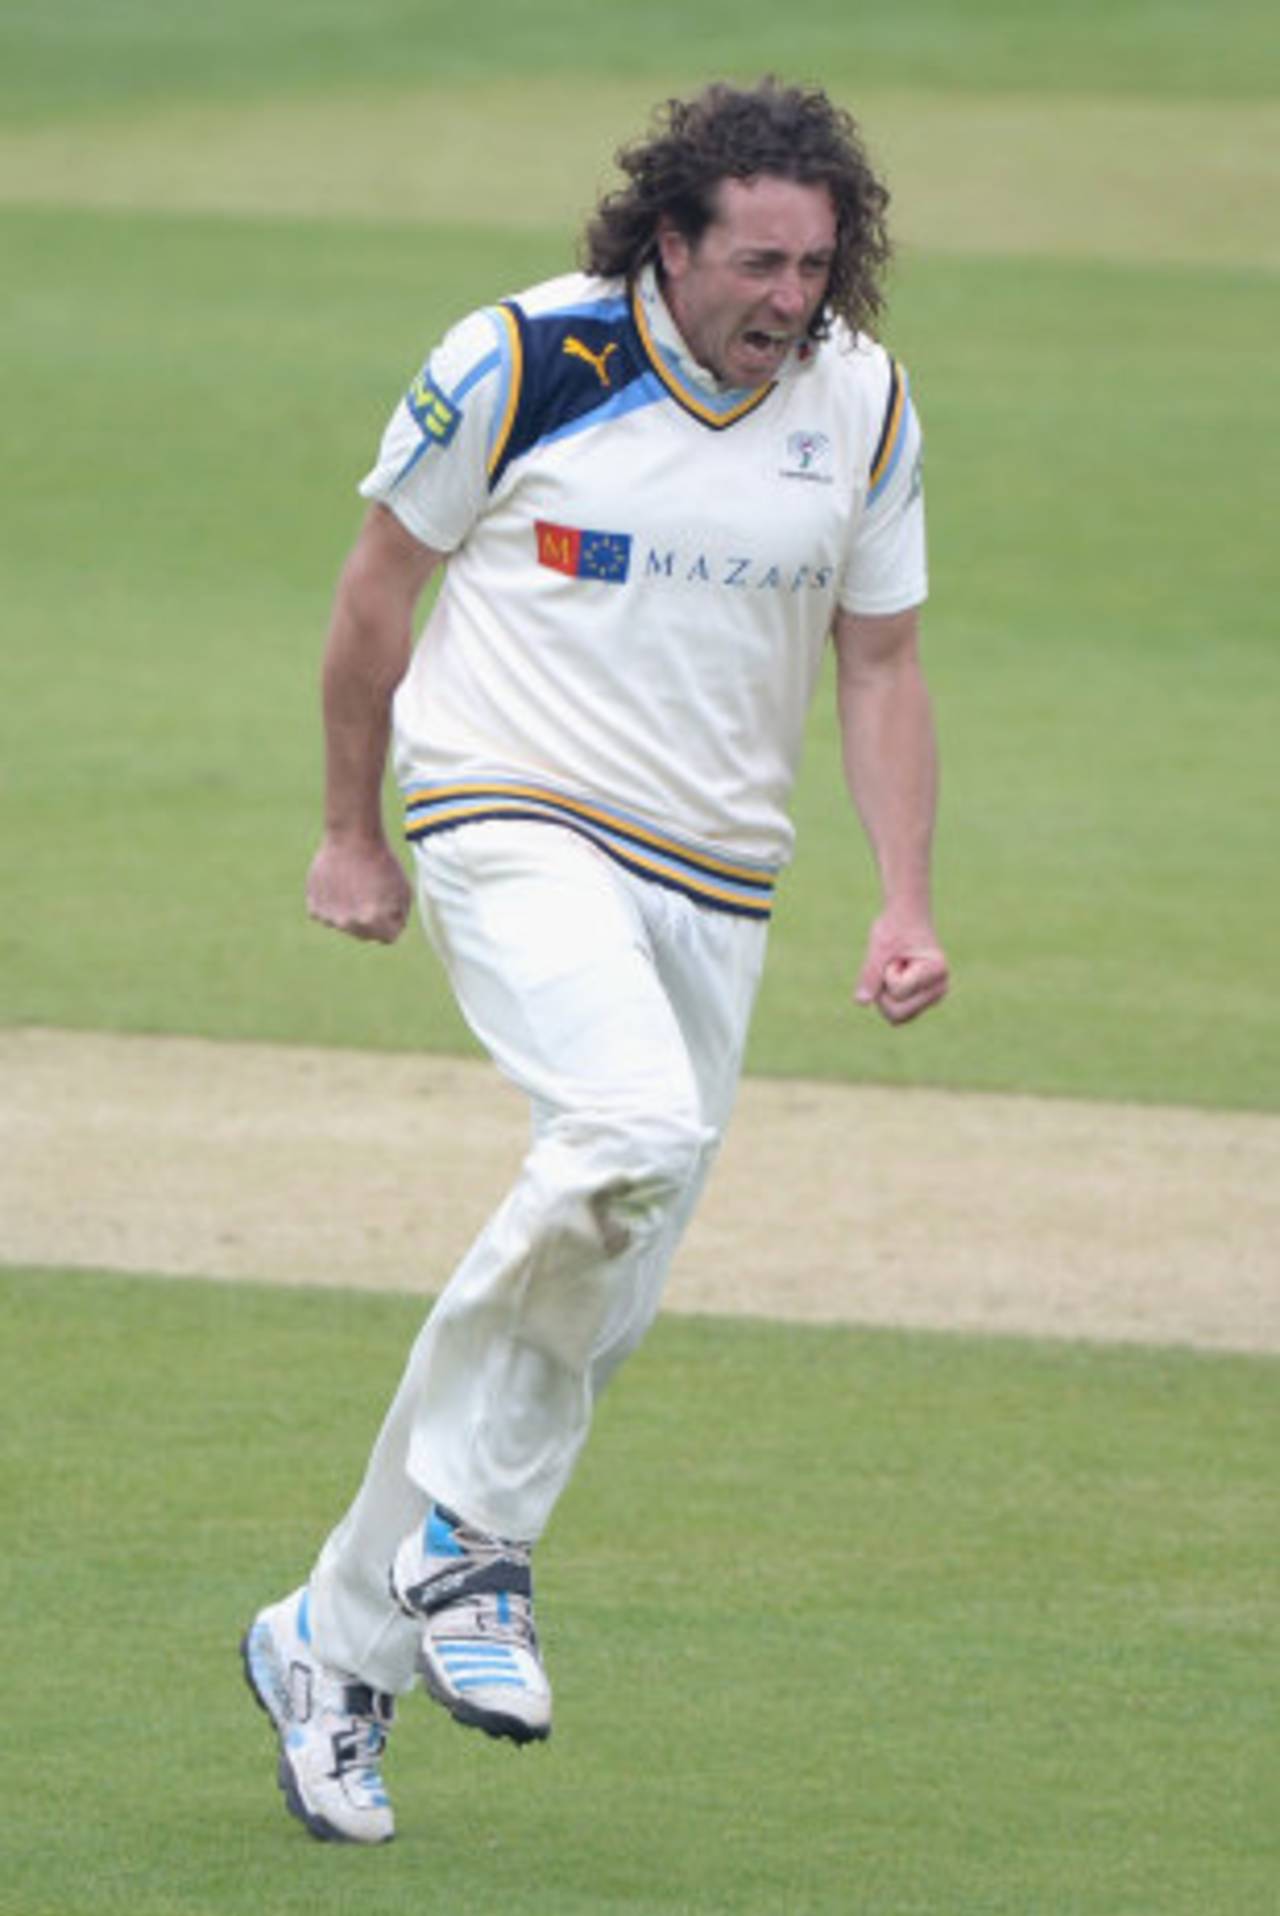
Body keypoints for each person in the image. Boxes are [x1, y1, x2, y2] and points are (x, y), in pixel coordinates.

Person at [241, 76, 949, 1845]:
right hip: (511, 810)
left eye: (820, 263)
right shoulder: (523, 358)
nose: (794, 298)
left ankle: (331, 1642)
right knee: (625, 1134)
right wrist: (351, 830)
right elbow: (373, 597)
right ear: (672, 242)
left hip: (718, 883)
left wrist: (905, 897)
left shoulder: (858, 402)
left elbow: (880, 663)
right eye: (762, 264)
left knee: (592, 1281)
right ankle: (476, 1554)